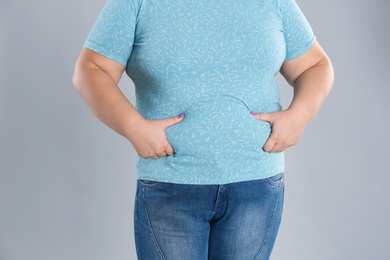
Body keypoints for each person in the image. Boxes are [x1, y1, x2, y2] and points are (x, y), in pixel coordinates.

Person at [72, 0, 333, 258]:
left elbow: (315, 65)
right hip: (171, 183)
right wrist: (133, 126)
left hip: (255, 184)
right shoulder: (136, 3)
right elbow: (91, 69)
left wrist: (299, 115)